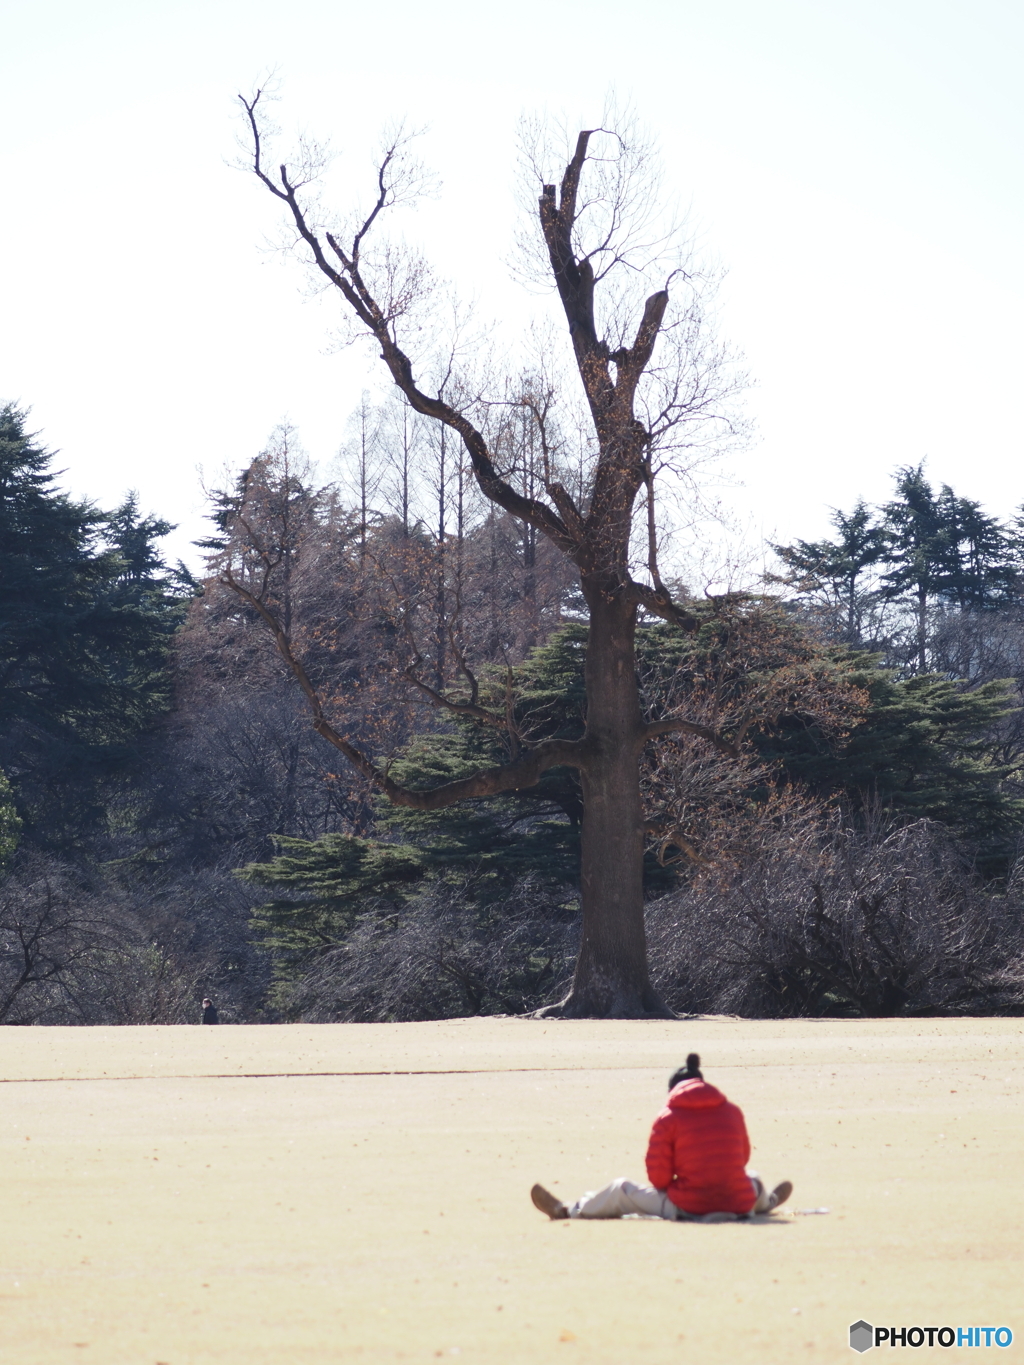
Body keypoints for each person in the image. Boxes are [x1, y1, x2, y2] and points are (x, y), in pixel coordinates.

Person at [530, 1053, 792, 1222]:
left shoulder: (668, 1117)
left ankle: (569, 1211)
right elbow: (742, 1159)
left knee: (621, 1189)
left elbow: (658, 1178)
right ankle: (766, 1202)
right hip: (738, 1203)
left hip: (689, 1206)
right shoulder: (733, 1111)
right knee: (754, 1178)